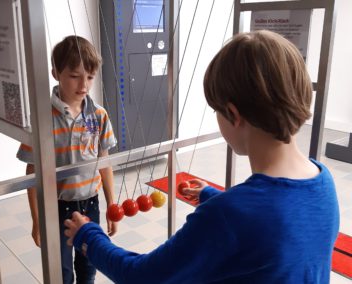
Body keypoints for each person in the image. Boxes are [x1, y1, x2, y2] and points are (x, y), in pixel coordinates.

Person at [64, 30, 340, 283]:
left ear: (233, 114)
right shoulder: (323, 182)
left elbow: (143, 276)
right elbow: (274, 219)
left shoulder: (227, 215)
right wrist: (211, 195)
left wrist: (88, 236)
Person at [17, 35, 118, 284]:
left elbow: (104, 163)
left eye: (90, 77)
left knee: (88, 265)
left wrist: (112, 206)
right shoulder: (42, 118)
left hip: (91, 203)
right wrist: (37, 218)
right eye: (75, 75)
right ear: (55, 73)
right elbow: (32, 173)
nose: (84, 84)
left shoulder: (99, 115)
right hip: (57, 206)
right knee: (61, 271)